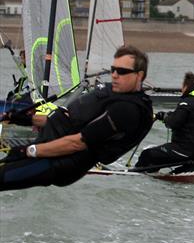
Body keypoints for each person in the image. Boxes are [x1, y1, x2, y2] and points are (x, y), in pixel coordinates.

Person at [0, 45, 153, 191]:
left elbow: (77, 143)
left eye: (121, 71)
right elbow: (66, 121)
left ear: (139, 75)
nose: (114, 75)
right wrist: (24, 119)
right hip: (47, 148)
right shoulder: (114, 95)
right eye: (113, 69)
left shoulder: (127, 110)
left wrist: (29, 151)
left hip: (57, 162)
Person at [135, 72, 194, 168]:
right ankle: (155, 173)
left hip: (183, 151)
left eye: (183, 86)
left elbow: (173, 123)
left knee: (147, 154)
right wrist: (166, 115)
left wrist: (165, 118)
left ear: (186, 86)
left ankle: (137, 174)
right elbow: (190, 119)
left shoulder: (187, 103)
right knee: (159, 155)